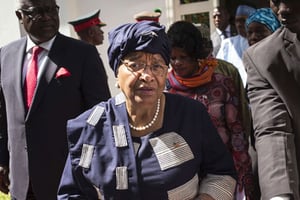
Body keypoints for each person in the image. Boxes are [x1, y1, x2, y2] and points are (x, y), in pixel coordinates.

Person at [57, 20, 237, 200]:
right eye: (135, 65)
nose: (147, 76)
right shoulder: (89, 127)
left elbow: (221, 174)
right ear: (116, 74)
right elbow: (71, 193)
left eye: (157, 66)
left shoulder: (190, 115)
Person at [0, 0, 111, 199]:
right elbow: (2, 115)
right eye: (39, 12)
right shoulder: (5, 55)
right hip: (21, 183)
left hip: (68, 180)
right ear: (20, 16)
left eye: (52, 10)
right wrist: (1, 160)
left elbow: (100, 117)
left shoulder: (82, 54)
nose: (48, 17)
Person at [166, 20, 254, 200]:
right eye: (173, 58)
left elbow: (237, 132)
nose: (177, 63)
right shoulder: (165, 88)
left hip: (221, 172)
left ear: (196, 55)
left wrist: (242, 173)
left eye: (183, 57)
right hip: (183, 174)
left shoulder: (221, 84)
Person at [243, 0, 300, 199]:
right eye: (276, 1)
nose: (283, 9)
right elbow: (273, 129)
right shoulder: (263, 59)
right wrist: (280, 195)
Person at [217, 5, 256, 87]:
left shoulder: (261, 42)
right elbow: (219, 70)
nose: (239, 24)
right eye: (237, 21)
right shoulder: (227, 44)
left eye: (243, 20)